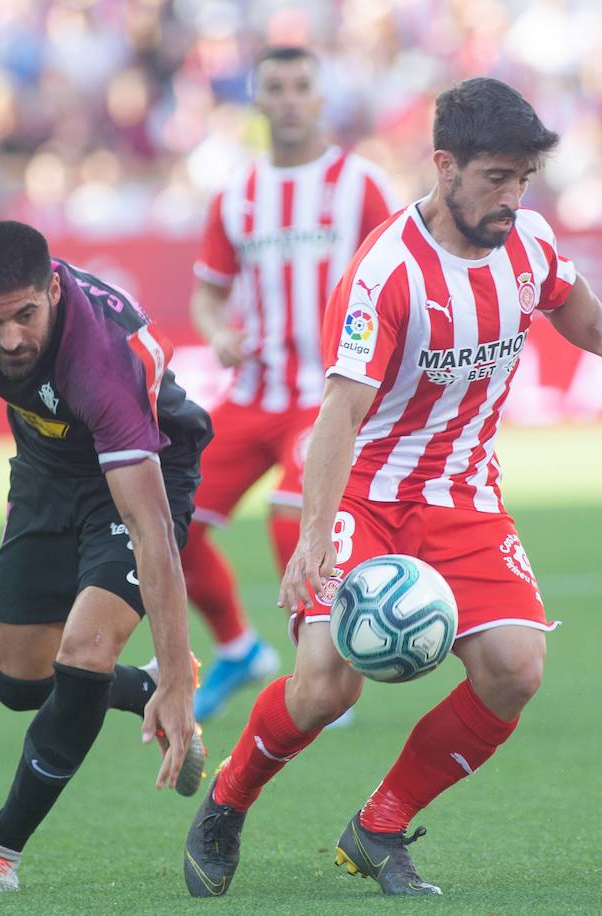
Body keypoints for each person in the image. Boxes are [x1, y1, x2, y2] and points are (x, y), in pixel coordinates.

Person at [182, 77, 602, 897]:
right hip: (365, 495)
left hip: (465, 498)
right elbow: (338, 417)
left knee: (515, 669)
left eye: (522, 180)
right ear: (445, 165)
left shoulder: (531, 242)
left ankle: (380, 826)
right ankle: (230, 798)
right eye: (495, 179)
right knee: (326, 686)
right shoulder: (386, 273)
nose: (511, 198)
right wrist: (314, 543)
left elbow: (565, 297)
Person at [0, 220, 212, 894]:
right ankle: (136, 686)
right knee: (23, 684)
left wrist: (181, 682)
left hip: (144, 471)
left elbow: (153, 535)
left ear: (54, 290)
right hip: (43, 471)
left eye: (26, 316)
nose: (9, 339)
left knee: (84, 653)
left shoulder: (104, 367)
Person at [185, 45, 397, 721]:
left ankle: (324, 676)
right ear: (257, 99)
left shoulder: (361, 184)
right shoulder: (236, 195)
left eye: (301, 85)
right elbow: (207, 294)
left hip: (326, 395)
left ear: (320, 97)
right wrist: (218, 333)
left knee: (292, 518)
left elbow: (399, 274)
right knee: (164, 520)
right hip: (252, 394)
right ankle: (240, 649)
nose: (288, 98)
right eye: (274, 86)